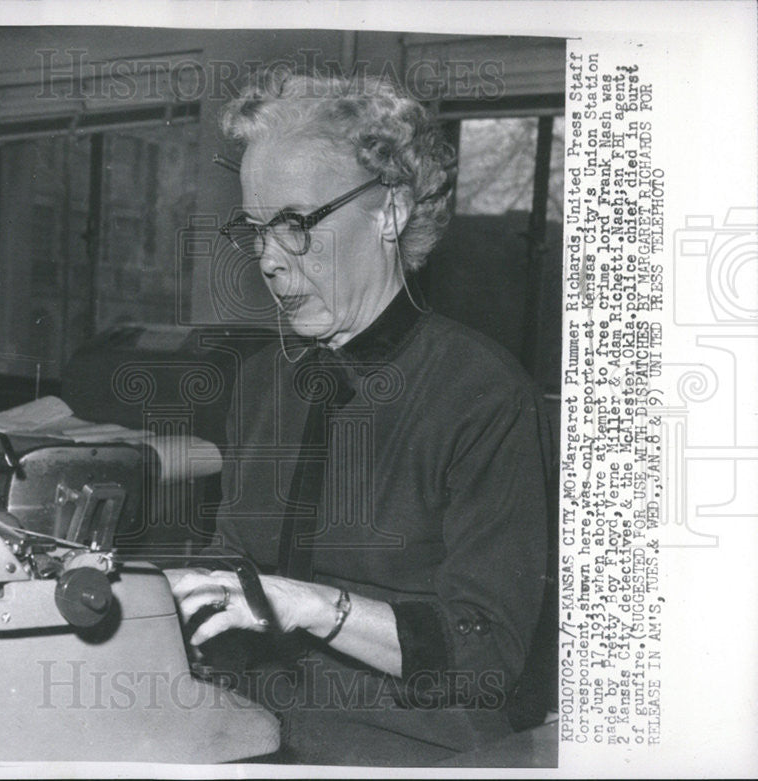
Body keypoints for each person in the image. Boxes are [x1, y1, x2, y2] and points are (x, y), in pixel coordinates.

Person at [164, 69, 553, 766]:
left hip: (421, 753)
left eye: (294, 225)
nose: (268, 262)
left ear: (392, 212)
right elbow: (231, 562)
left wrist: (315, 605)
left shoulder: (483, 393)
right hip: (251, 733)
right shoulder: (261, 383)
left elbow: (487, 650)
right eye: (254, 230)